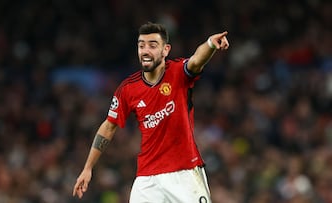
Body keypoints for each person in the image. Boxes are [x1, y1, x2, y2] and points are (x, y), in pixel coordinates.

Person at [73, 22, 229, 202]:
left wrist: (210, 44)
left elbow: (196, 60)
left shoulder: (178, 72)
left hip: (185, 173)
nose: (145, 51)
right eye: (141, 46)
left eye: (152, 46)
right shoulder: (128, 89)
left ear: (165, 50)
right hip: (147, 179)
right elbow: (108, 127)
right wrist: (88, 168)